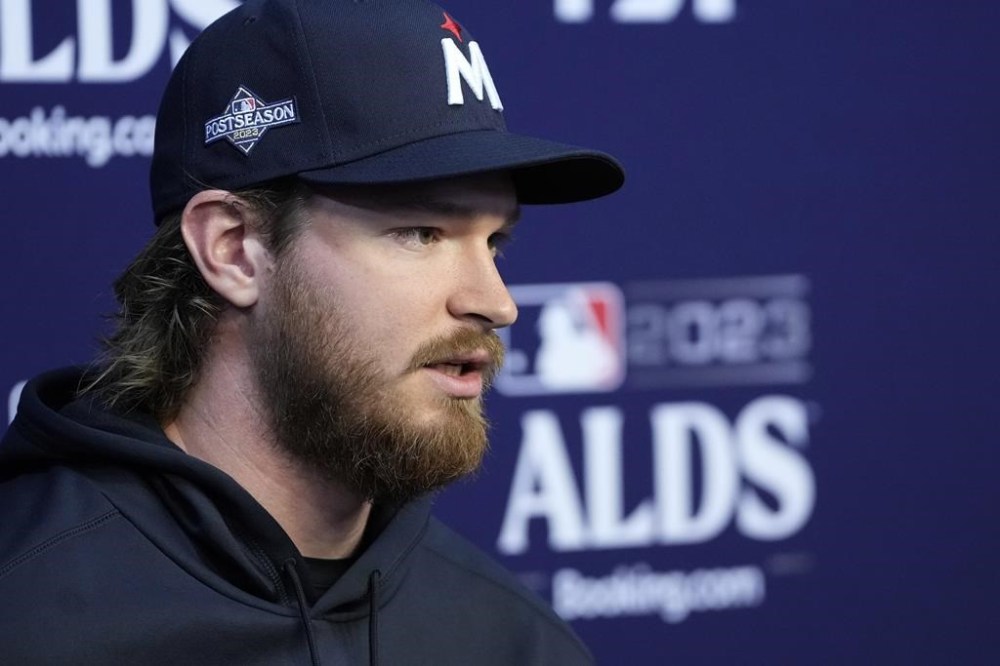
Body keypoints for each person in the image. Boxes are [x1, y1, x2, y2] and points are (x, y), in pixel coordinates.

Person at [0, 0, 623, 663]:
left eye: (494, 241)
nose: (496, 303)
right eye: (421, 233)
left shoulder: (516, 641)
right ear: (235, 249)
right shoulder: (25, 612)